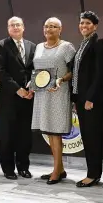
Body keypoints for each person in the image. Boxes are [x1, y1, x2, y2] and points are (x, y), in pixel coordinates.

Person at [29, 17, 76, 185]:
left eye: (53, 26)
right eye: (47, 26)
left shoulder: (67, 47)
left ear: (60, 29)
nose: (49, 29)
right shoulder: (40, 47)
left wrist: (62, 80)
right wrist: (31, 83)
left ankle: (56, 171)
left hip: (58, 93)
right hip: (42, 95)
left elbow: (74, 71)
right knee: (49, 132)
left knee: (56, 133)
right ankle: (59, 168)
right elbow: (37, 70)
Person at [0, 17, 36, 180]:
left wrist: (32, 87)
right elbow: (0, 71)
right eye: (12, 25)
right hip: (9, 97)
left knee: (25, 136)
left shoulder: (32, 46)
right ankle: (8, 169)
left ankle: (23, 167)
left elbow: (34, 70)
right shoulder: (2, 45)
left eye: (18, 24)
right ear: (8, 28)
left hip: (28, 97)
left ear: (23, 27)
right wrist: (17, 89)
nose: (15, 27)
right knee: (7, 135)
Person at [71, 11, 103, 187]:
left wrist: (90, 98)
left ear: (95, 26)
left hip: (91, 101)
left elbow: (100, 74)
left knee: (93, 138)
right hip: (80, 99)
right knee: (87, 137)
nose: (83, 26)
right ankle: (93, 172)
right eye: (81, 23)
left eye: (87, 23)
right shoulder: (82, 45)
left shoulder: (98, 43)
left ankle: (93, 174)